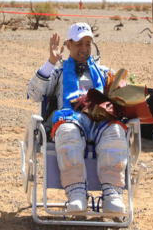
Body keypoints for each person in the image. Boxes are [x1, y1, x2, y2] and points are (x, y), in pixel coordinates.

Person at [26, 23, 128, 215]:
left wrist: (122, 89)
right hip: (71, 119)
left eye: (88, 44)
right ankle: (77, 194)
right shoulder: (59, 72)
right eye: (79, 44)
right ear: (68, 45)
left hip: (101, 120)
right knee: (66, 132)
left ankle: (112, 194)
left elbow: (123, 94)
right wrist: (51, 61)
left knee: (116, 130)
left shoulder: (104, 72)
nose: (84, 49)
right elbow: (33, 93)